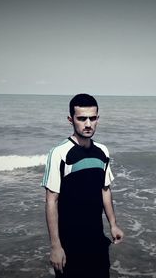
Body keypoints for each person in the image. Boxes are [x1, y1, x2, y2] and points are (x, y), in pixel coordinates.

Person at [42, 93, 124, 278]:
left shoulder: (102, 151)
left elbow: (105, 190)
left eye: (92, 118)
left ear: (97, 119)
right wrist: (55, 246)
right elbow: (51, 201)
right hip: (70, 245)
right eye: (81, 118)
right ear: (71, 120)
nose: (88, 124)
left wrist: (113, 225)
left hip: (97, 241)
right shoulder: (59, 153)